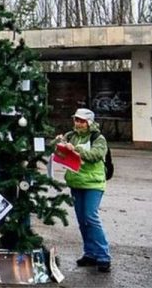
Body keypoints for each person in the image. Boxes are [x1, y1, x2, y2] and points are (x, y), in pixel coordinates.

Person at [55, 108, 111, 273]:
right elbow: (58, 151)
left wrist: (76, 149)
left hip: (93, 183)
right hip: (76, 182)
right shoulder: (71, 135)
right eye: (76, 120)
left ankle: (103, 256)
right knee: (82, 220)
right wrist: (58, 143)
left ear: (89, 122)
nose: (78, 123)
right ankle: (90, 254)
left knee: (91, 217)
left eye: (81, 120)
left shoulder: (98, 138)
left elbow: (95, 155)